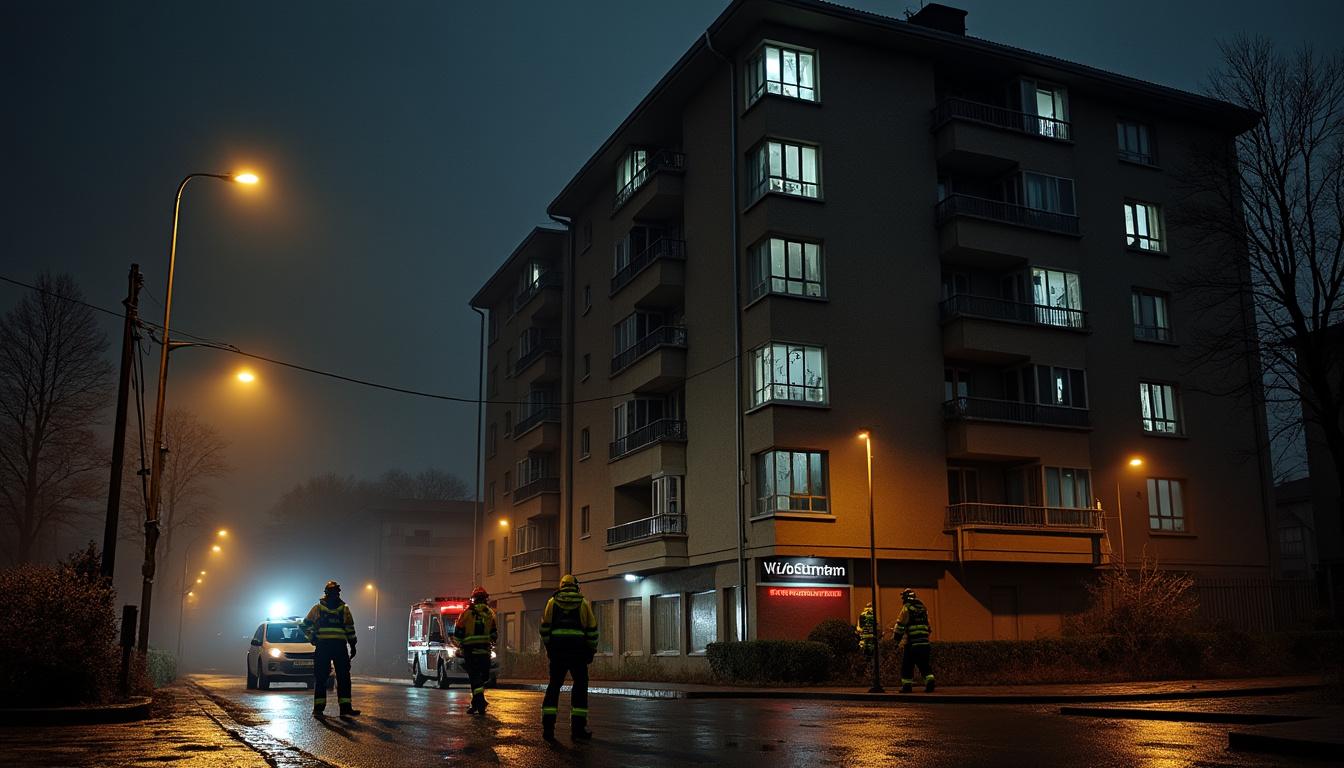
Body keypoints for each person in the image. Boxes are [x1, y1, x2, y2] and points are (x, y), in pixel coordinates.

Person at [538, 573, 598, 741]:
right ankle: (578, 729)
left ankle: (548, 728)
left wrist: (549, 647)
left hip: (557, 653)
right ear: (576, 586)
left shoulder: (552, 603)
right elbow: (592, 630)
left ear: (561, 586)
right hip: (578, 653)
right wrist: (591, 650)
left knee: (554, 687)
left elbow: (544, 629)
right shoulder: (583, 603)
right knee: (580, 686)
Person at [301, 580, 360, 718]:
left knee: (343, 677)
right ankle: (319, 709)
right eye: (334, 592)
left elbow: (350, 629)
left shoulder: (342, 608)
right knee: (323, 678)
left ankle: (345, 708)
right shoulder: (319, 609)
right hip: (329, 647)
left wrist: (352, 645)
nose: (336, 595)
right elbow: (304, 625)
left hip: (334, 647)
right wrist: (313, 638)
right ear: (328, 593)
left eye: (337, 592)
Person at [454, 585, 498, 715]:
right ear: (485, 599)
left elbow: (458, 632)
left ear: (473, 599)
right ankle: (477, 703)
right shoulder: (490, 613)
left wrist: (459, 644)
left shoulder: (467, 613)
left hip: (470, 651)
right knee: (481, 678)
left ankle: (480, 702)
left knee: (475, 678)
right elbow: (494, 634)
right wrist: (489, 642)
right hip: (485, 651)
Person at [892, 588, 934, 693]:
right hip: (924, 643)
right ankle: (930, 682)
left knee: (907, 665)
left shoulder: (906, 608)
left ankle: (907, 686)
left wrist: (896, 640)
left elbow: (900, 625)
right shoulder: (923, 608)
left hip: (912, 643)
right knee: (924, 664)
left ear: (905, 598)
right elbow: (928, 626)